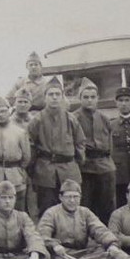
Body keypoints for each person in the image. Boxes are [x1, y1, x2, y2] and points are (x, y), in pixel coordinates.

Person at [37, 178, 130, 259]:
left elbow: (100, 230)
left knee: (107, 251)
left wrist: (112, 244)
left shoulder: (85, 212)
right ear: (60, 197)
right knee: (50, 258)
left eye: (75, 197)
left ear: (80, 198)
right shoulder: (51, 213)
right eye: (68, 197)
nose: (72, 200)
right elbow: (42, 235)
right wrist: (54, 245)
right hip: (63, 254)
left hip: (83, 253)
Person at [26, 82, 85, 214]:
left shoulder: (71, 119)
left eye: (57, 94)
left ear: (62, 97)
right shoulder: (37, 120)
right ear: (45, 97)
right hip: (45, 171)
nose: (54, 97)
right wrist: (34, 168)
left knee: (71, 207)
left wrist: (77, 162)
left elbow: (80, 142)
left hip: (69, 170)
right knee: (47, 209)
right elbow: (30, 145)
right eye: (50, 94)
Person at [0, 93, 32, 215]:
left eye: (3, 111)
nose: (1, 114)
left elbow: (26, 157)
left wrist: (18, 170)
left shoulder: (20, 132)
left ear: (9, 111)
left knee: (18, 211)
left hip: (15, 175)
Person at [73, 78, 116, 218]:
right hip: (85, 167)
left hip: (105, 166)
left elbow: (110, 144)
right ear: (80, 98)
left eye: (92, 97)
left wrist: (109, 162)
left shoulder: (104, 118)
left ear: (97, 98)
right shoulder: (74, 118)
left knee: (107, 203)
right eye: (85, 97)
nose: (89, 100)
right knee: (85, 203)